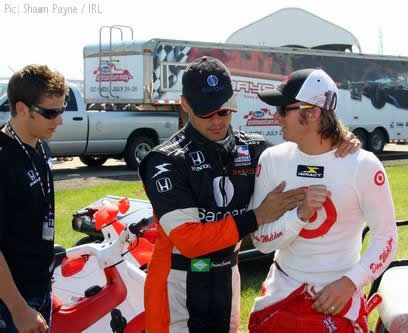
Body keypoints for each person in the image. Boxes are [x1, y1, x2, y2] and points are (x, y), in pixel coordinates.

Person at [138, 57, 360, 333]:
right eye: (207, 113)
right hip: (176, 280)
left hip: (227, 276)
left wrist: (339, 144)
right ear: (185, 105)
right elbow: (190, 241)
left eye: (224, 111)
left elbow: (304, 163)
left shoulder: (254, 148)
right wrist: (257, 217)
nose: (218, 120)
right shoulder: (164, 160)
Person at [247, 68, 398, 332]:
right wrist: (299, 216)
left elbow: (386, 238)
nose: (276, 116)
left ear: (313, 113)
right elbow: (260, 242)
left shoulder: (363, 165)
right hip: (280, 292)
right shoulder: (272, 159)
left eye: (284, 109)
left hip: (337, 298)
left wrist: (350, 282)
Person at [0, 65, 67, 333]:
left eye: (61, 110)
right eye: (50, 112)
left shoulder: (40, 145)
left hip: (37, 289)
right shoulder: (3, 157)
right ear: (21, 108)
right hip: (10, 301)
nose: (59, 119)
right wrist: (18, 307)